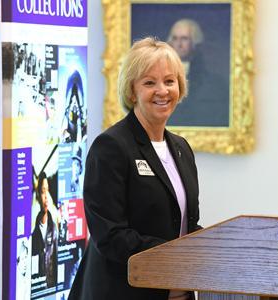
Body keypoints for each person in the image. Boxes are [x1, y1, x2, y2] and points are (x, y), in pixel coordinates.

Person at [68, 37, 202, 300]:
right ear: (132, 91)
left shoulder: (181, 148)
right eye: (149, 82)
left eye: (169, 81)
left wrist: (215, 247)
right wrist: (179, 254)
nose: (162, 91)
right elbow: (111, 235)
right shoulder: (111, 147)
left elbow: (187, 224)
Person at [167, 19, 229, 127]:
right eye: (175, 39)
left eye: (184, 39)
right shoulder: (157, 80)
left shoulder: (215, 84)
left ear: (195, 43)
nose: (179, 44)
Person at [31, 172, 58, 289]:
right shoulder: (33, 232)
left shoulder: (54, 230)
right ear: (37, 196)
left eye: (47, 190)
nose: (46, 196)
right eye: (43, 191)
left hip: (52, 289)